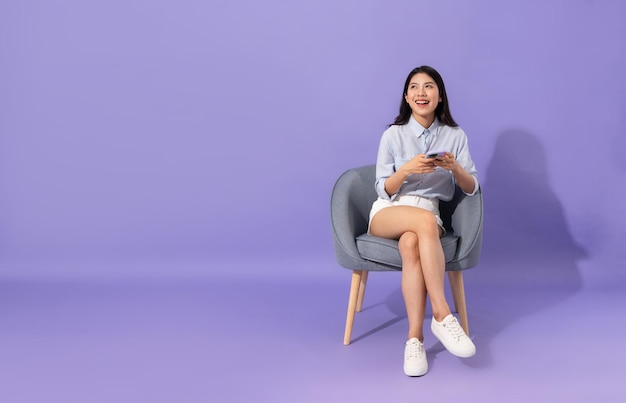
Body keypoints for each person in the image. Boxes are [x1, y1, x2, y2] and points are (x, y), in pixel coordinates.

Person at [368, 66, 478, 376]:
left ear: (440, 96)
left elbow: (471, 188)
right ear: (406, 97)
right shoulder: (393, 134)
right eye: (414, 87)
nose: (421, 93)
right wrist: (406, 170)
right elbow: (382, 188)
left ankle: (414, 339)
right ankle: (442, 315)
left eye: (428, 87)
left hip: (427, 212)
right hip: (389, 210)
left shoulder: (455, 136)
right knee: (425, 223)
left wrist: (455, 168)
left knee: (412, 240)